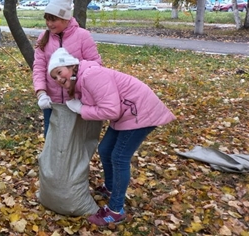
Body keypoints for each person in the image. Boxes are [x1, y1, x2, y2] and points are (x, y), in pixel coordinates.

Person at [47, 47, 176, 226]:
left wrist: (81, 109)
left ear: (71, 66)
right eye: (54, 77)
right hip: (125, 113)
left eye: (59, 72)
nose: (59, 79)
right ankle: (110, 187)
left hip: (139, 111)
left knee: (119, 157)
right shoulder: (81, 79)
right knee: (105, 149)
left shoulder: (91, 76)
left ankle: (116, 210)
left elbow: (110, 109)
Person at [32, 0, 101, 137]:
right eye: (47, 19)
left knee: (75, 142)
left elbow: (95, 67)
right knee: (51, 139)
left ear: (65, 18)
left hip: (77, 102)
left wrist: (80, 94)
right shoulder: (43, 38)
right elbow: (39, 67)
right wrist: (41, 93)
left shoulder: (83, 36)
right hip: (52, 103)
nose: (49, 24)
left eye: (53, 19)